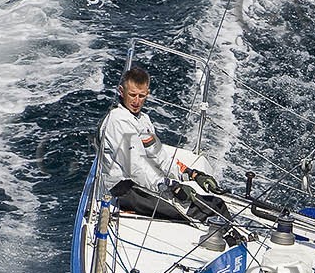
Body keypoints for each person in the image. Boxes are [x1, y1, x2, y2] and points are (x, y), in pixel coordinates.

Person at [97, 67, 232, 226]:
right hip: (125, 190)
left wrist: (191, 174)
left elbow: (159, 156)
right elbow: (135, 168)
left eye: (142, 96)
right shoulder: (118, 121)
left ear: (148, 93)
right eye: (132, 95)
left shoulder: (142, 119)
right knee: (209, 208)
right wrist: (169, 186)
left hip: (142, 184)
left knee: (215, 204)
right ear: (121, 91)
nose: (137, 101)